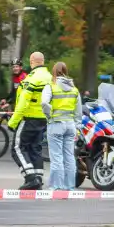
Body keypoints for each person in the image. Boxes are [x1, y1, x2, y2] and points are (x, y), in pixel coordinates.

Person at [7, 52, 52, 190]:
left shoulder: (31, 78)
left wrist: (13, 122)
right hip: (44, 119)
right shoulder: (51, 78)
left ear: (32, 62)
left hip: (29, 118)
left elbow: (23, 103)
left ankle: (30, 178)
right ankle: (38, 178)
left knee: (17, 148)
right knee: (35, 148)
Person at [42, 62, 82, 190]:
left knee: (56, 157)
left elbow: (44, 103)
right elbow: (78, 112)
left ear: (54, 72)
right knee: (69, 156)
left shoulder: (50, 86)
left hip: (56, 124)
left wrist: (49, 116)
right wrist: (77, 127)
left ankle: (56, 186)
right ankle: (70, 186)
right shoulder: (74, 89)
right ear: (66, 71)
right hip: (70, 125)